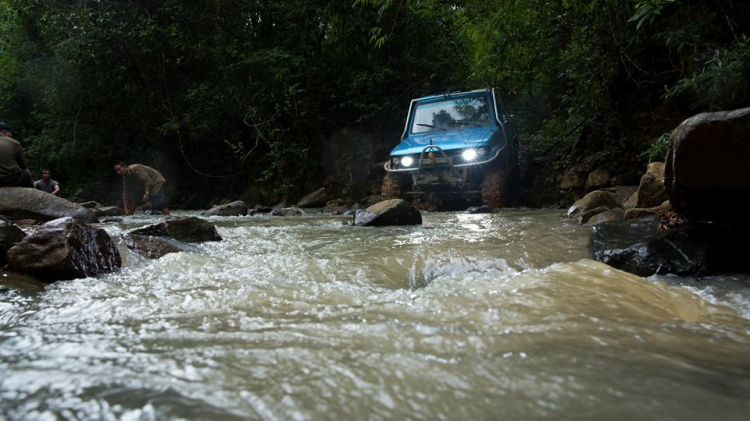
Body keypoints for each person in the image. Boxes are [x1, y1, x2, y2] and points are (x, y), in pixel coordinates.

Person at [0, 122, 33, 188]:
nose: (12, 136)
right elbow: (23, 165)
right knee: (27, 173)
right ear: (4, 131)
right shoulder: (14, 142)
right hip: (11, 180)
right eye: (11, 133)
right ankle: (29, 195)